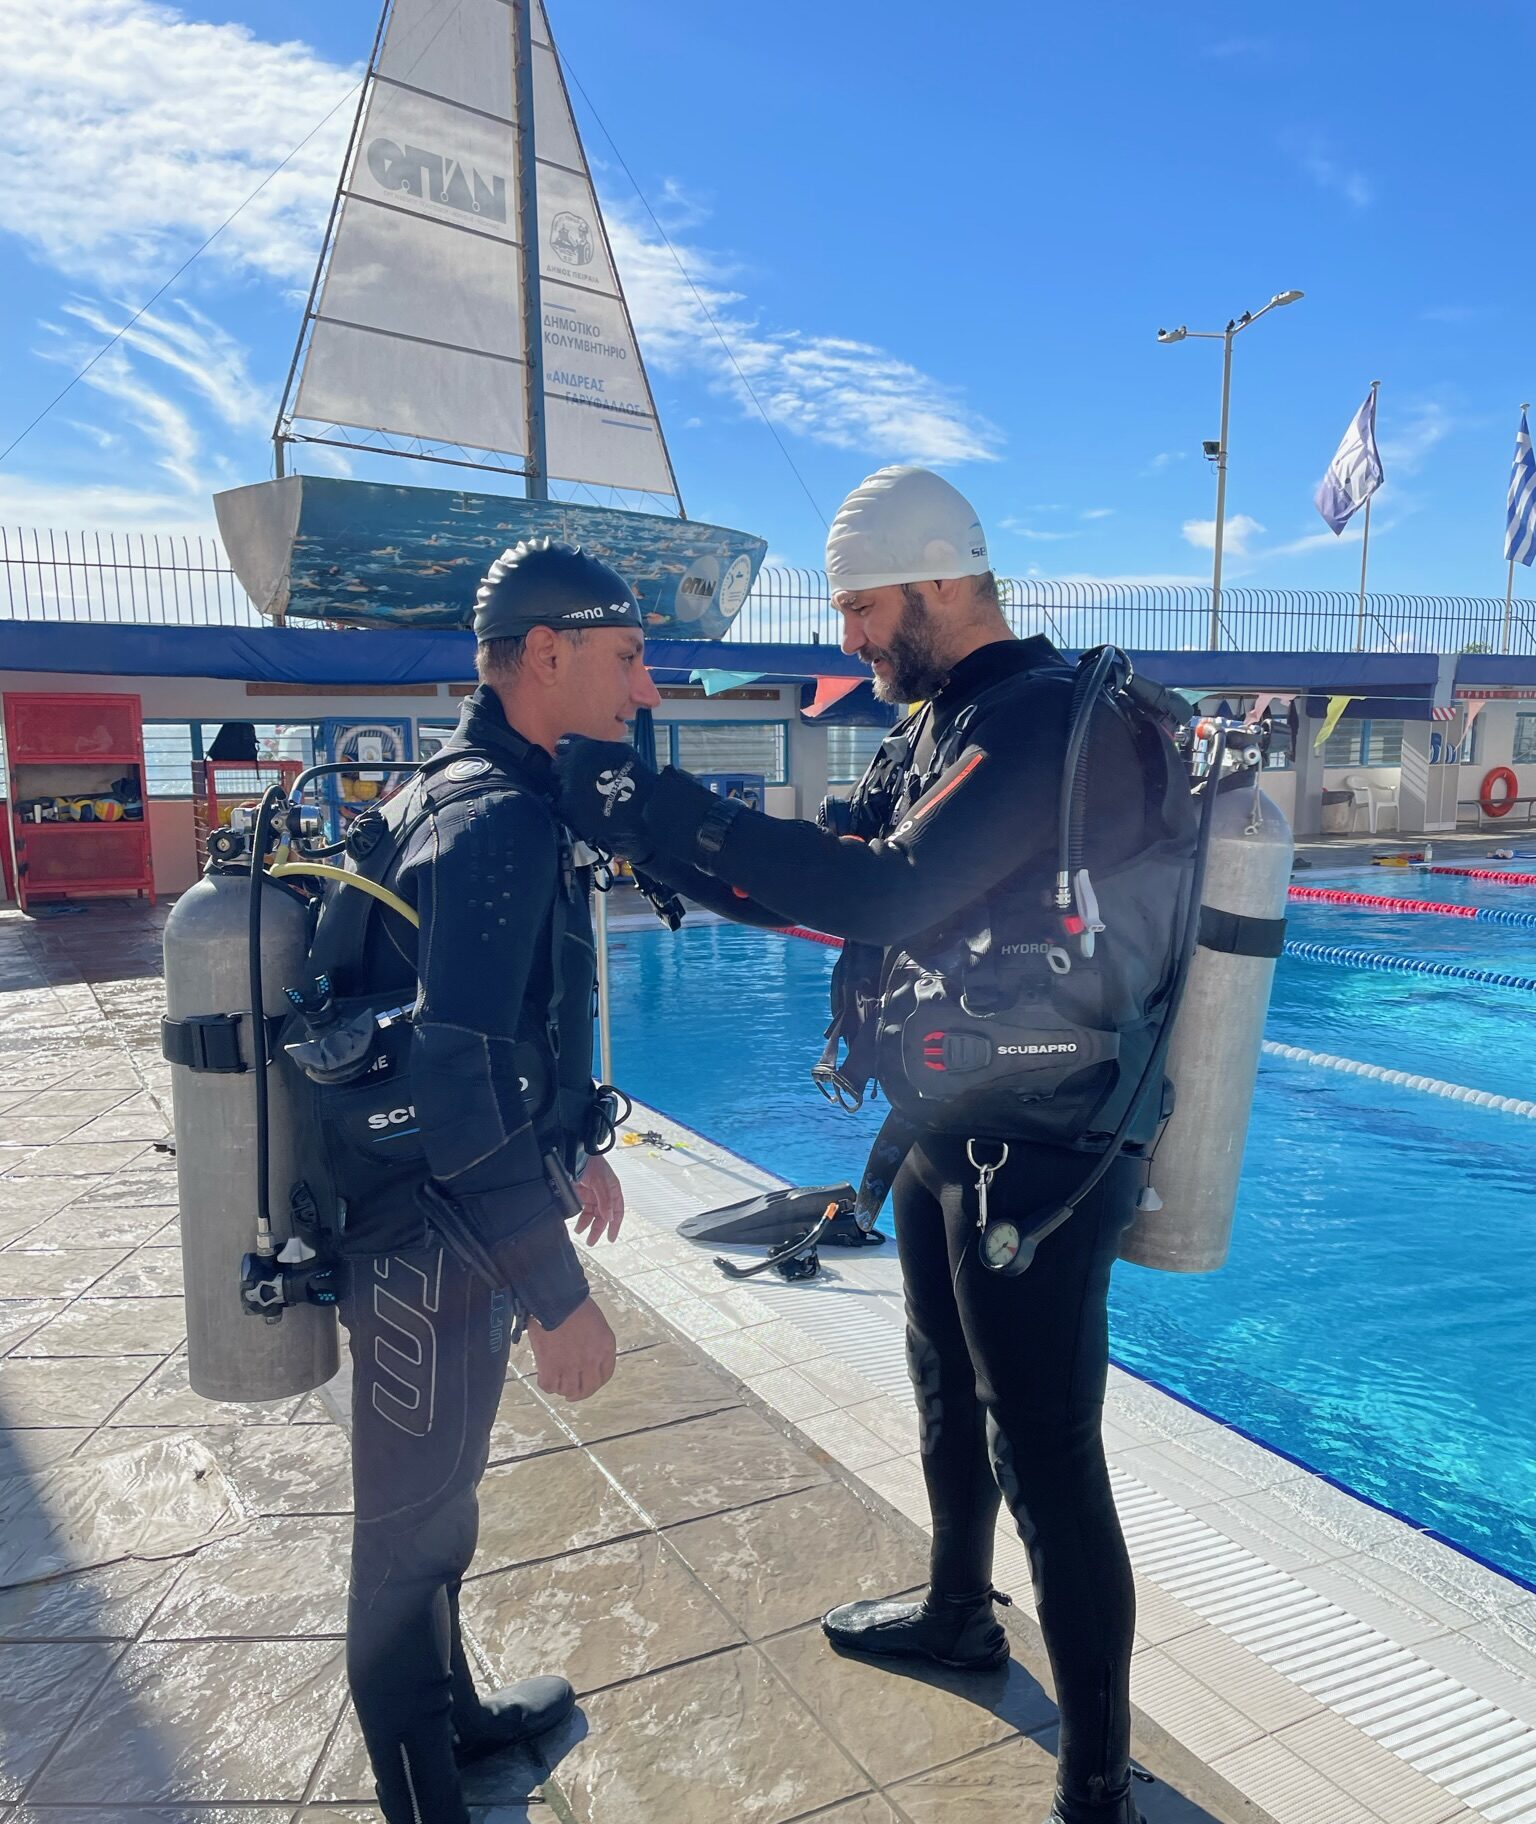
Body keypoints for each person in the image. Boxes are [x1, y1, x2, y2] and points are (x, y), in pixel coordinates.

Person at [553, 467, 1191, 1824]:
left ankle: (1096, 1779)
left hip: (1051, 1143)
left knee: (1047, 1454)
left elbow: (885, 890)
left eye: (860, 607)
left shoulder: (1028, 726)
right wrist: (648, 835)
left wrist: (659, 808)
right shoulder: (947, 722)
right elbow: (836, 859)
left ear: (941, 580)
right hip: (956, 1119)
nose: (847, 637)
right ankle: (962, 1612)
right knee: (942, 1387)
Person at [317, 539, 662, 1824]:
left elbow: (502, 1035)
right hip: (419, 1240)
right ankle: (424, 1798)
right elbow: (455, 1087)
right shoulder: (495, 816)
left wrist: (571, 1149)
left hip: (441, 1222)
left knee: (441, 1501)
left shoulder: (485, 791)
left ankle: (454, 1720)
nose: (646, 688)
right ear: (546, 655)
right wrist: (558, 1294)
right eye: (627, 658)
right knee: (404, 1534)